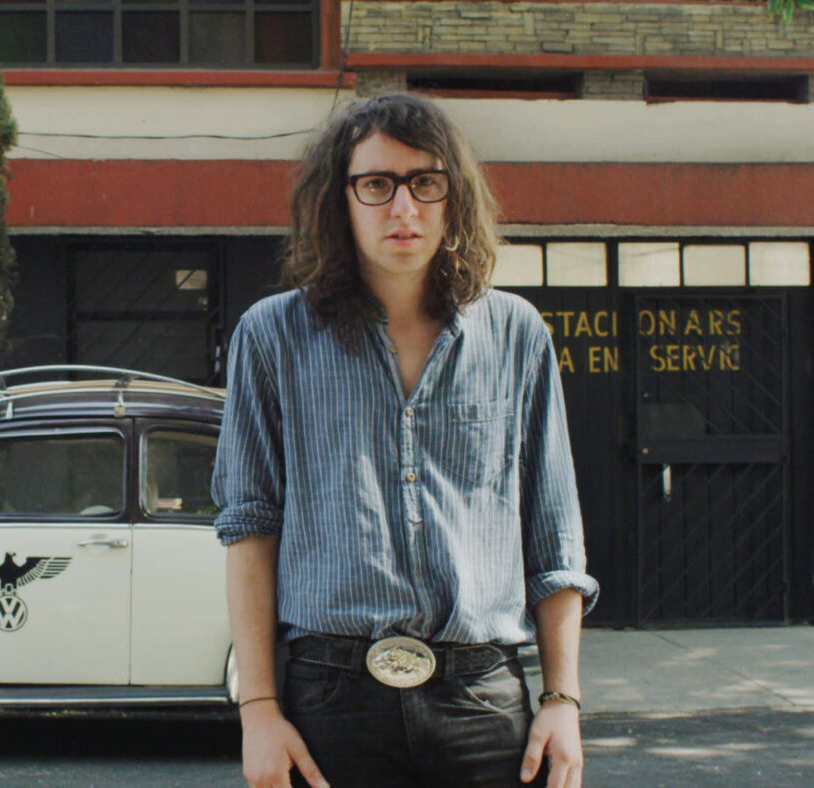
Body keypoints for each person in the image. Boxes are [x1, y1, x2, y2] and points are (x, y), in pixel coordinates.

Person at [211, 93, 599, 788]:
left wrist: (562, 700)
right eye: (376, 184)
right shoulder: (270, 338)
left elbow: (554, 533)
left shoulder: (516, 335)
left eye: (425, 182)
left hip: (483, 701)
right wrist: (258, 710)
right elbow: (249, 529)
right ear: (340, 198)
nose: (403, 207)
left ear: (454, 196)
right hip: (328, 702)